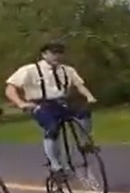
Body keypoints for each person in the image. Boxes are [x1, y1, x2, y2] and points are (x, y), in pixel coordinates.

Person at [4, 42, 97, 181]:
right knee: (52, 127)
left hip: (62, 102)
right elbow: (10, 89)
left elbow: (79, 85)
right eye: (53, 53)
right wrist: (21, 103)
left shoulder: (68, 70)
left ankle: (84, 143)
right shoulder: (29, 70)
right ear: (44, 54)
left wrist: (89, 97)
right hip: (41, 104)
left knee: (84, 112)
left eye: (60, 53)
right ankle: (55, 166)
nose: (57, 56)